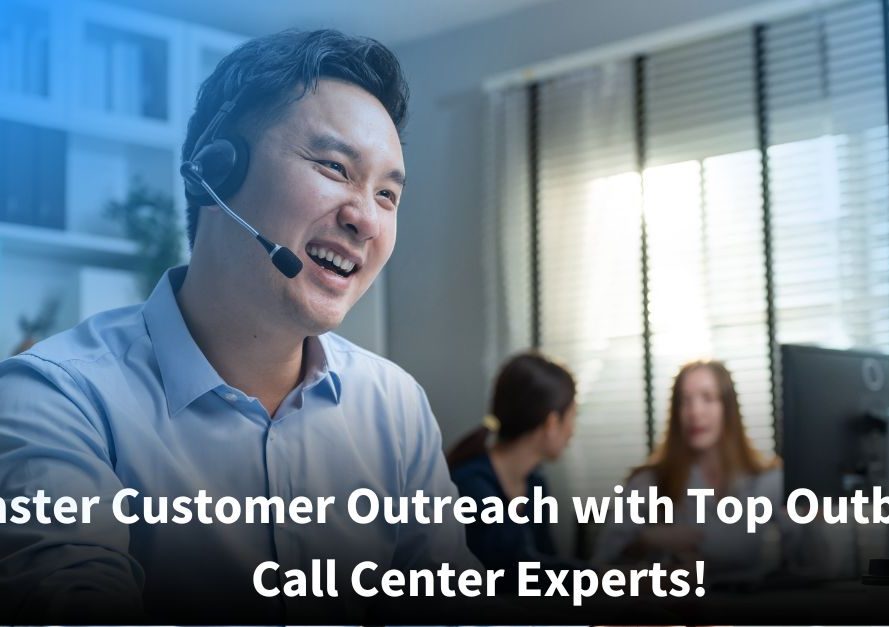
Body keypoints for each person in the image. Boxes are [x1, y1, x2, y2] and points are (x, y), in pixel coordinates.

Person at [0, 29, 477, 623]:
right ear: (214, 171)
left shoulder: (395, 407)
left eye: (387, 194)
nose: (365, 220)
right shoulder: (57, 399)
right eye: (334, 167)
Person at [592, 360, 832, 581]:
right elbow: (600, 567)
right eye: (685, 401)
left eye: (708, 398)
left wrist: (814, 521)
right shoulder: (649, 482)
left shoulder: (768, 480)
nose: (695, 412)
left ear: (728, 408)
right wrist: (644, 542)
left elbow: (813, 568)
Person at [447, 352, 577, 571]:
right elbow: (511, 572)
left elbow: (547, 565)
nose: (573, 431)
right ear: (552, 423)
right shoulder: (470, 483)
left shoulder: (536, 485)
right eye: (574, 416)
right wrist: (602, 575)